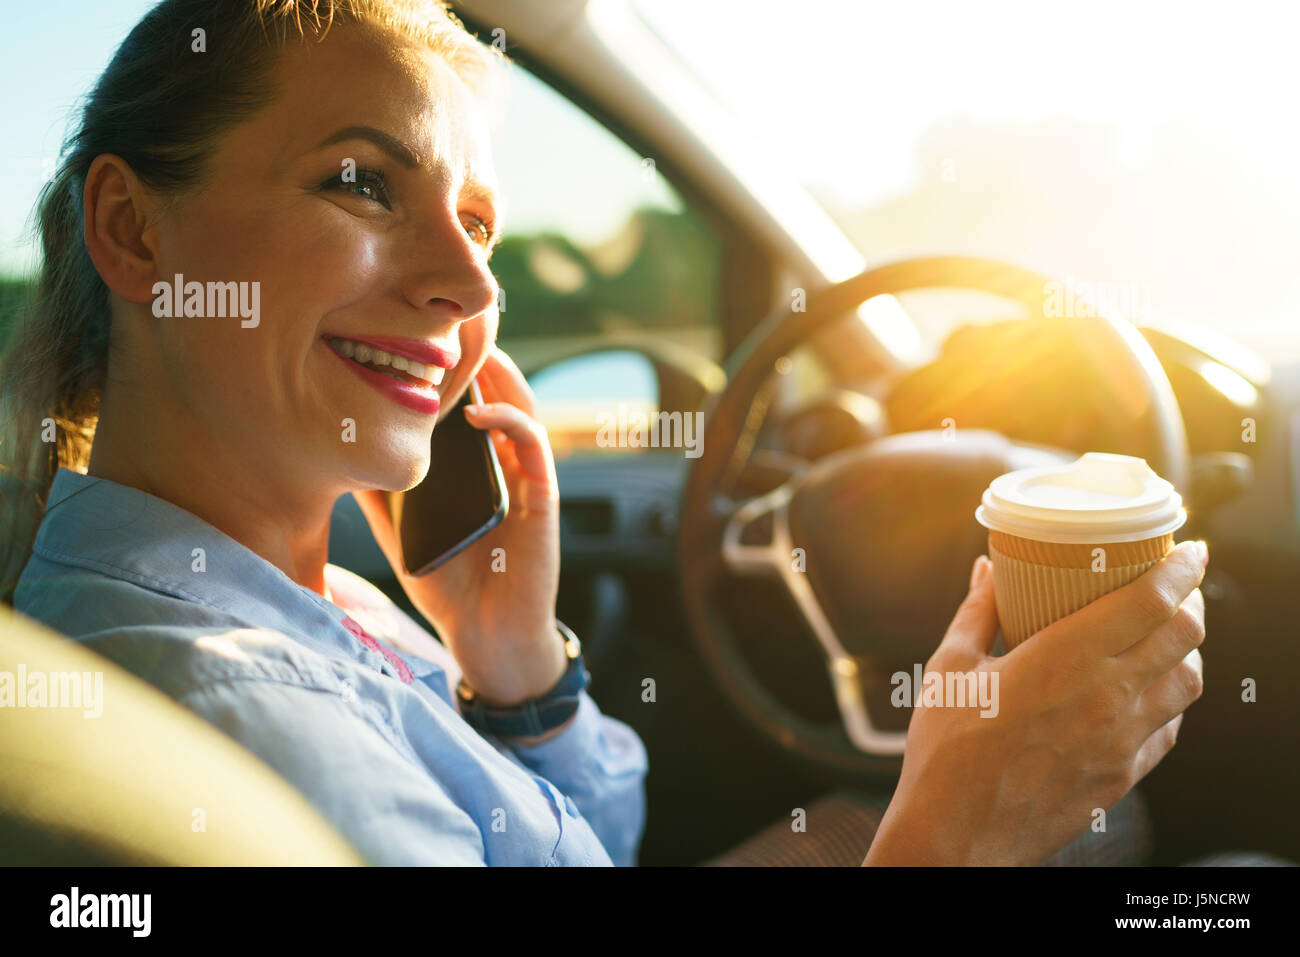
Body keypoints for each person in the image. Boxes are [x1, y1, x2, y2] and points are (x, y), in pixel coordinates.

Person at [1, 0, 1207, 867]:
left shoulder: (297, 601)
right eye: (363, 183)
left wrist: (510, 665)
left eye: (475, 224)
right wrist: (958, 839)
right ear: (135, 233)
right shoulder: (244, 712)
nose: (470, 289)